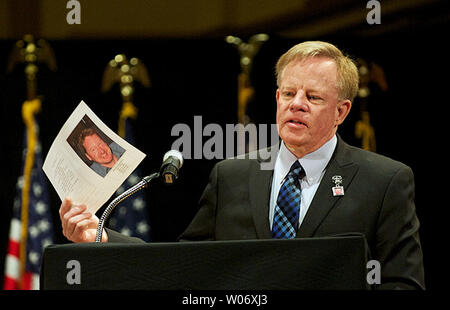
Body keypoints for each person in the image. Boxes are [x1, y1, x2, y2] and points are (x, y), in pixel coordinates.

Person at [59, 41, 424, 289]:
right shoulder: (232, 175)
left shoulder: (385, 181)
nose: (297, 104)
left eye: (312, 97)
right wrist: (102, 236)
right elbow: (183, 266)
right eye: (288, 93)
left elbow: (402, 283)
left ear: (341, 111)